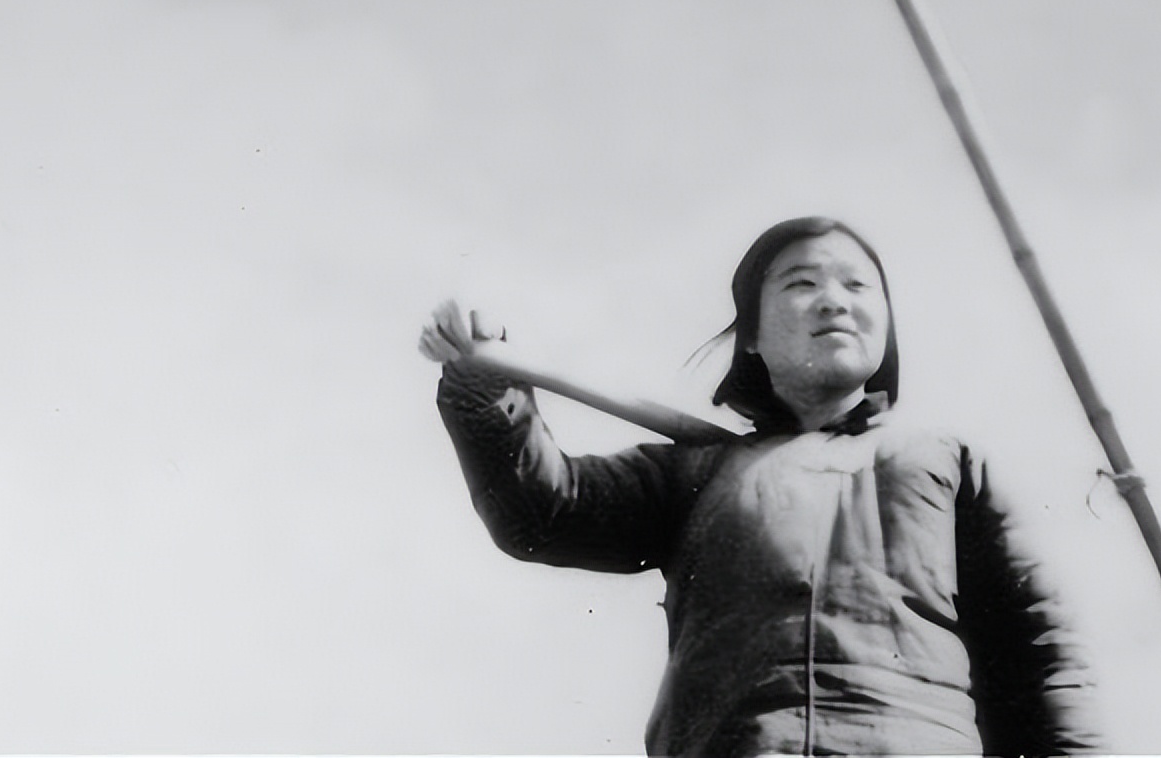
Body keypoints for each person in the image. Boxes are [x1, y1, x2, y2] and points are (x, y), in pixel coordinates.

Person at [422, 216, 1100, 757]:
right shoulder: (696, 472)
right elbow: (544, 511)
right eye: (801, 283)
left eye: (858, 286)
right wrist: (486, 383)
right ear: (750, 336)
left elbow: (1041, 660)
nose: (833, 299)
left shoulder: (944, 465)